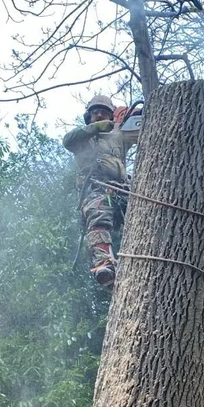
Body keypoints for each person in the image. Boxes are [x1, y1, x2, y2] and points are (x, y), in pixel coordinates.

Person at [63, 95, 131, 288]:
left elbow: (139, 127)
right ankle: (104, 263)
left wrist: (132, 114)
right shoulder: (83, 138)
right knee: (99, 216)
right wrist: (96, 128)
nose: (99, 114)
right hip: (95, 188)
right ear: (89, 117)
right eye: (95, 112)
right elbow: (67, 140)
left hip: (122, 190)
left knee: (143, 217)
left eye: (104, 112)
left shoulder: (119, 134)